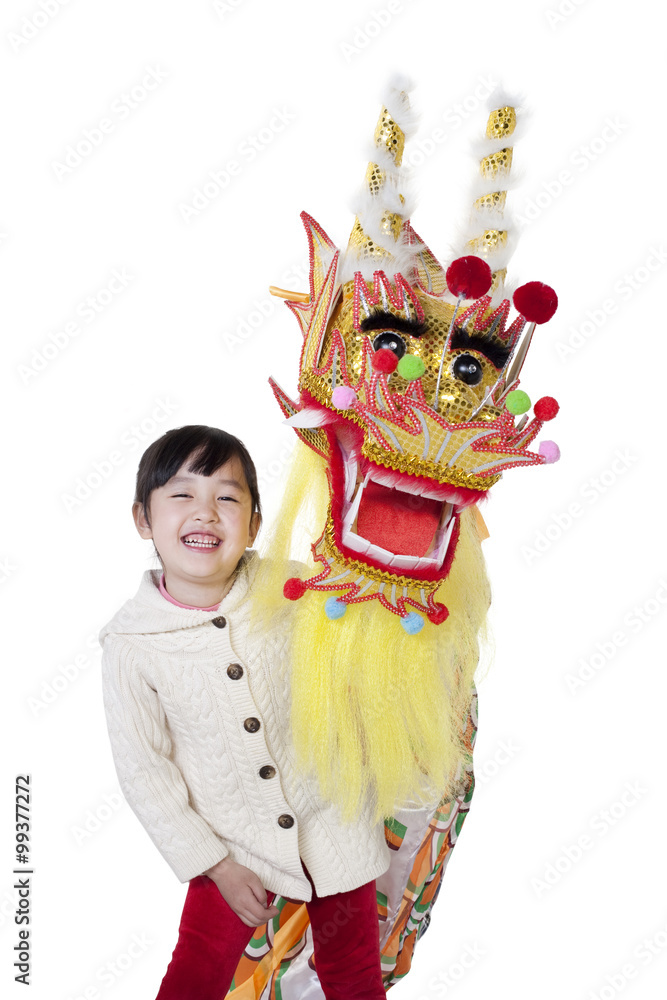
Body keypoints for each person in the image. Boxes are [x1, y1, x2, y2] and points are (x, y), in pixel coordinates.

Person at [99, 424, 390, 1000]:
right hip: (229, 841)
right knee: (196, 976)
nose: (206, 513)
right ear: (143, 520)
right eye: (182, 495)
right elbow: (145, 774)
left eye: (227, 498)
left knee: (354, 969)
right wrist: (215, 865)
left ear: (255, 524)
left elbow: (364, 620)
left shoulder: (291, 589)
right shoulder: (132, 644)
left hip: (332, 816)